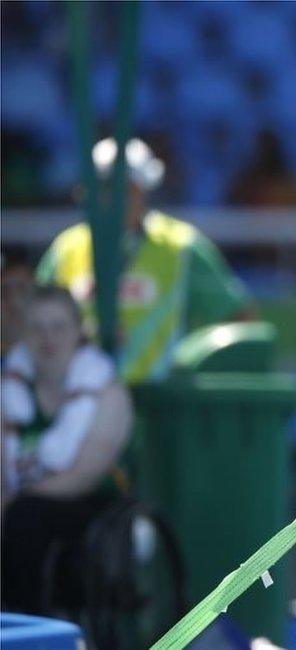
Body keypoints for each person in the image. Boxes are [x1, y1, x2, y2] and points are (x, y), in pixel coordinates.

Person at [36, 137, 253, 384]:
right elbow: (33, 319)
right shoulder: (66, 248)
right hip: (78, 398)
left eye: (122, 188)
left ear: (142, 190)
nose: (110, 198)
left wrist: (191, 365)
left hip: (160, 407)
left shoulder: (181, 246)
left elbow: (239, 318)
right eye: (101, 187)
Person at [1, 286, 132, 614]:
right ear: (23, 334)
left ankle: (27, 626)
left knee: (24, 517)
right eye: (37, 328)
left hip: (90, 507)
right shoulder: (10, 393)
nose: (49, 338)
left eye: (58, 327)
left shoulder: (107, 392)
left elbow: (86, 474)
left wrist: (17, 499)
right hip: (20, 502)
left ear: (77, 331)